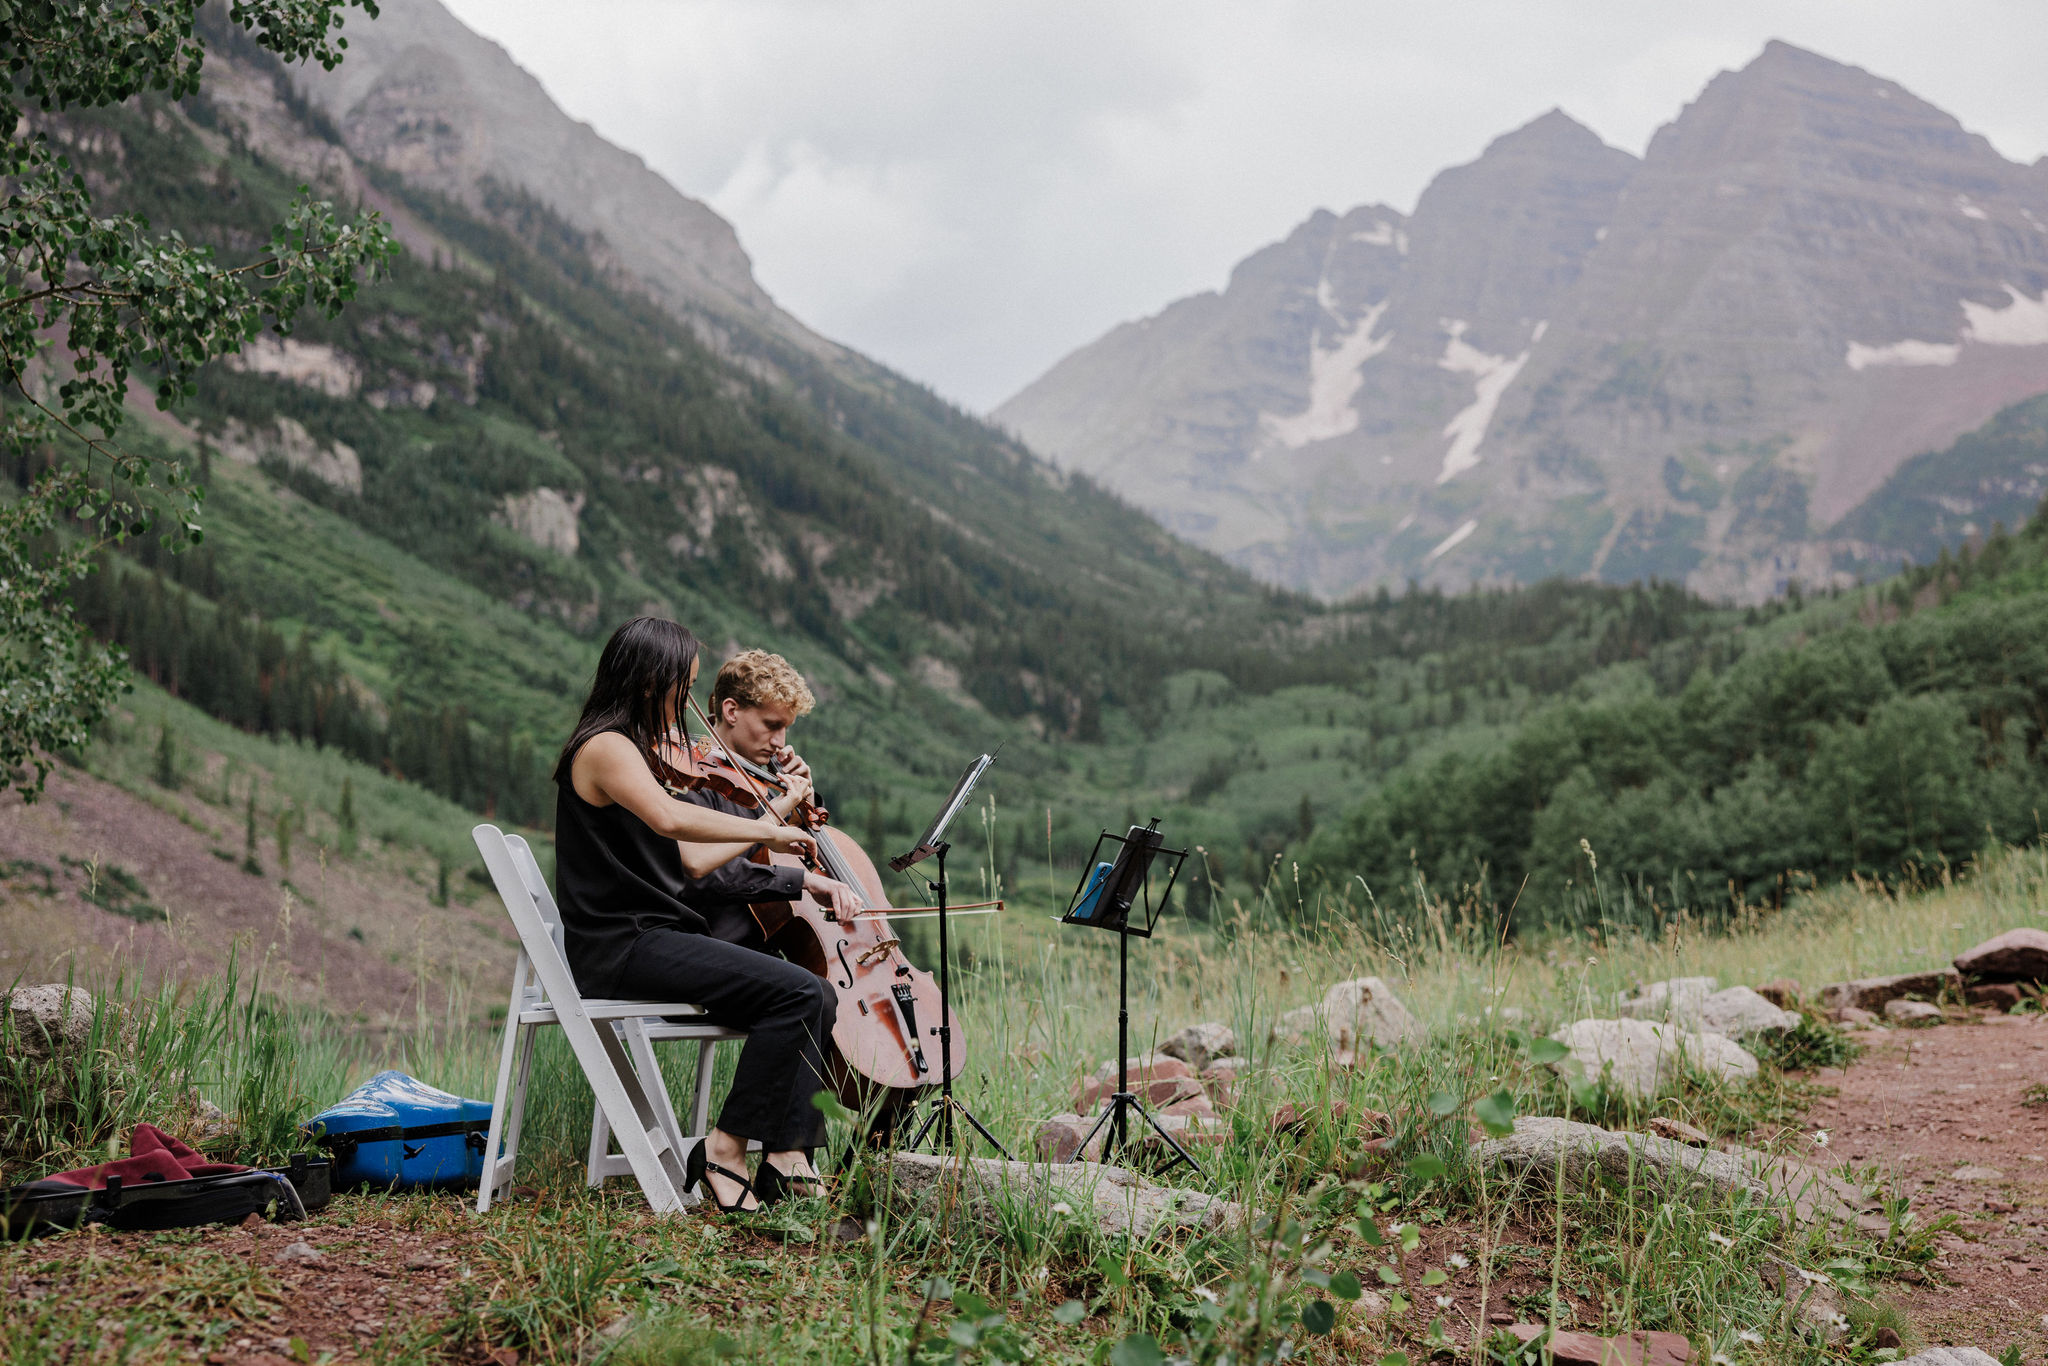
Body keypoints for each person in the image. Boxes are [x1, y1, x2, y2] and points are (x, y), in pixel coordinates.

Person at [552, 616, 835, 1214]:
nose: (688, 701)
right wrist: (768, 826)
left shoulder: (647, 752)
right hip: (624, 946)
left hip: (659, 937)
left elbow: (695, 860)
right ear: (652, 680)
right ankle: (725, 1149)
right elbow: (672, 821)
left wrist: (774, 814)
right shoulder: (605, 747)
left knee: (818, 994)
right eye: (685, 685)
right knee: (796, 995)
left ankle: (787, 1155)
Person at [672, 649, 859, 952]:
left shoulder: (756, 781)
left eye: (785, 729)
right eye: (772, 725)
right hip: (711, 942)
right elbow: (704, 873)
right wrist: (800, 881)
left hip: (760, 946)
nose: (780, 742)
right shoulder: (691, 774)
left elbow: (786, 852)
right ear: (731, 711)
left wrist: (805, 803)